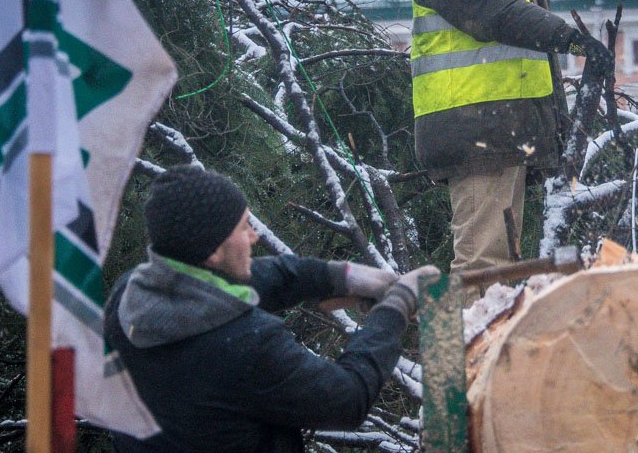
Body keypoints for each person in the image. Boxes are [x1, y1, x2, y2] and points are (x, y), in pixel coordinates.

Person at [105, 165, 438, 452]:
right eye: (243, 227)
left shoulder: (128, 296)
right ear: (212, 254)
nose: (253, 236)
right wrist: (394, 309)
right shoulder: (248, 345)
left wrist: (340, 277)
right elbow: (347, 398)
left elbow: (257, 278)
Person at [408, 0, 613, 276]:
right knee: (481, 264)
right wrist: (574, 40)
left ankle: (477, 340)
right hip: (474, 125)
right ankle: (448, 344)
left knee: (502, 265)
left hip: (506, 127)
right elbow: (496, 13)